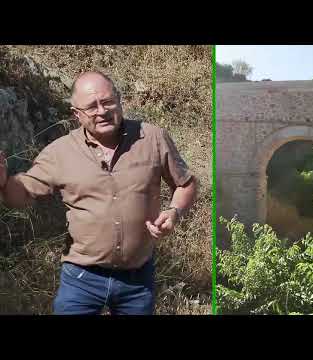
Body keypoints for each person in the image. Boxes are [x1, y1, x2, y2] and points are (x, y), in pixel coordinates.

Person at [0, 71, 197, 315]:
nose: (102, 111)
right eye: (91, 107)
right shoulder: (60, 153)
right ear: (76, 114)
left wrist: (175, 211)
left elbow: (186, 184)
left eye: (107, 102)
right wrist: (4, 182)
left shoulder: (152, 138)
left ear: (119, 100)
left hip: (137, 280)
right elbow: (20, 194)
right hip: (81, 278)